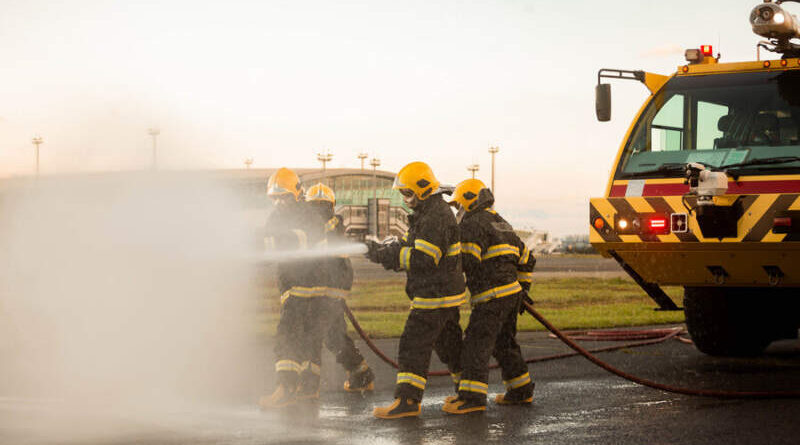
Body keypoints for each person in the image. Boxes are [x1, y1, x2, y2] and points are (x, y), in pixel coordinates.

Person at [365, 161, 465, 419]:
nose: (406, 200)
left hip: (434, 296)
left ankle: (407, 401)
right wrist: (388, 248)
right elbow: (415, 246)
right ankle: (469, 392)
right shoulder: (431, 212)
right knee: (449, 346)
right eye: (403, 195)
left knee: (412, 346)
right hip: (443, 293)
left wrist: (389, 256)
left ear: (423, 189)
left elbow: (423, 258)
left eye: (408, 193)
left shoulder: (435, 216)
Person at [442, 178, 536, 415]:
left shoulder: (471, 225)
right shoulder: (502, 223)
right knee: (505, 344)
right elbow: (526, 259)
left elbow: (468, 262)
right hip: (511, 295)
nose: (458, 212)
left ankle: (472, 399)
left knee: (476, 345)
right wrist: (523, 290)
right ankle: (520, 390)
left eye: (458, 206)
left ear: (469, 201)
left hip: (491, 298)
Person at [258, 167, 328, 409]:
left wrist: (268, 241)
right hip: (297, 286)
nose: (279, 202)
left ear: (297, 194)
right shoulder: (276, 216)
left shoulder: (308, 215)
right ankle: (308, 388)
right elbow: (268, 249)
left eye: (284, 197)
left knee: (288, 336)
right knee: (307, 339)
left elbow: (301, 239)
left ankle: (285, 389)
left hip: (306, 287)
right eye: (276, 198)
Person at [304, 183, 375, 393]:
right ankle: (360, 374)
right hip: (334, 287)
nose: (317, 209)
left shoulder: (321, 225)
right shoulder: (334, 223)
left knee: (313, 334)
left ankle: (309, 386)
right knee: (334, 335)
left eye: (319, 205)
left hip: (325, 288)